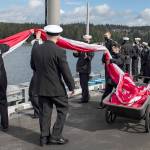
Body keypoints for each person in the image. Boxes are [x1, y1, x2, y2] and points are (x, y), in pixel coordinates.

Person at [30, 25, 75, 146]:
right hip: (56, 88)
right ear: (58, 36)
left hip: (41, 87)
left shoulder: (36, 49)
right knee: (63, 109)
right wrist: (71, 86)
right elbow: (65, 71)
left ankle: (43, 138)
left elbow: (33, 66)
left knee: (45, 112)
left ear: (46, 34)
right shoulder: (60, 51)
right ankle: (55, 136)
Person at [98, 43, 124, 108]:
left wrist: (111, 60)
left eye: (115, 48)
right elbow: (104, 61)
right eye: (113, 48)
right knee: (107, 91)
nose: (113, 49)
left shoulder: (121, 56)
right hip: (110, 77)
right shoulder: (110, 55)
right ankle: (102, 104)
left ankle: (121, 104)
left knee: (119, 92)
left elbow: (120, 62)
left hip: (117, 78)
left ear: (118, 48)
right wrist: (104, 55)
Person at [73, 35, 94, 103]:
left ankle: (85, 98)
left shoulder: (90, 47)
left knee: (84, 84)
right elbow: (77, 55)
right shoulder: (81, 47)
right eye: (84, 39)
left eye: (85, 39)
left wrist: (87, 57)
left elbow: (91, 57)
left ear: (88, 40)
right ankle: (85, 96)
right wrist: (74, 53)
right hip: (81, 68)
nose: (84, 40)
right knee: (82, 84)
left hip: (85, 69)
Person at [29, 31, 42, 119]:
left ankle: (38, 112)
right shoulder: (43, 46)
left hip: (38, 73)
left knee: (33, 94)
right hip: (41, 73)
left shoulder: (37, 47)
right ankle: (39, 112)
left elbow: (32, 63)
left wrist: (37, 38)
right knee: (37, 93)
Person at [0, 44, 9, 132]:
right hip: (1, 78)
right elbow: (7, 46)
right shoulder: (1, 47)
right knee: (3, 101)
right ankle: (5, 125)